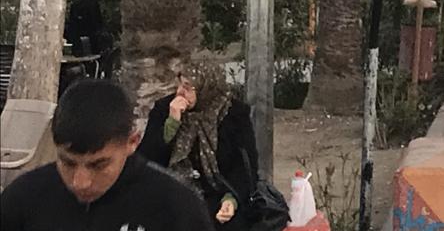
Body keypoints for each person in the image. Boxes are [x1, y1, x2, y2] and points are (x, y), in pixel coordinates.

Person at [0, 78, 213, 230]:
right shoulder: (22, 199)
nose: (80, 182)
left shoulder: (176, 207)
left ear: (132, 142)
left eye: (98, 165)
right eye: (68, 163)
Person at [137, 55, 259, 228]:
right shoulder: (164, 109)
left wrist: (231, 199)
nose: (180, 92)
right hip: (174, 192)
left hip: (218, 193)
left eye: (188, 88)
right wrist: (171, 125)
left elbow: (245, 166)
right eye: (180, 84)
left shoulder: (234, 114)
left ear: (206, 88)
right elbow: (146, 160)